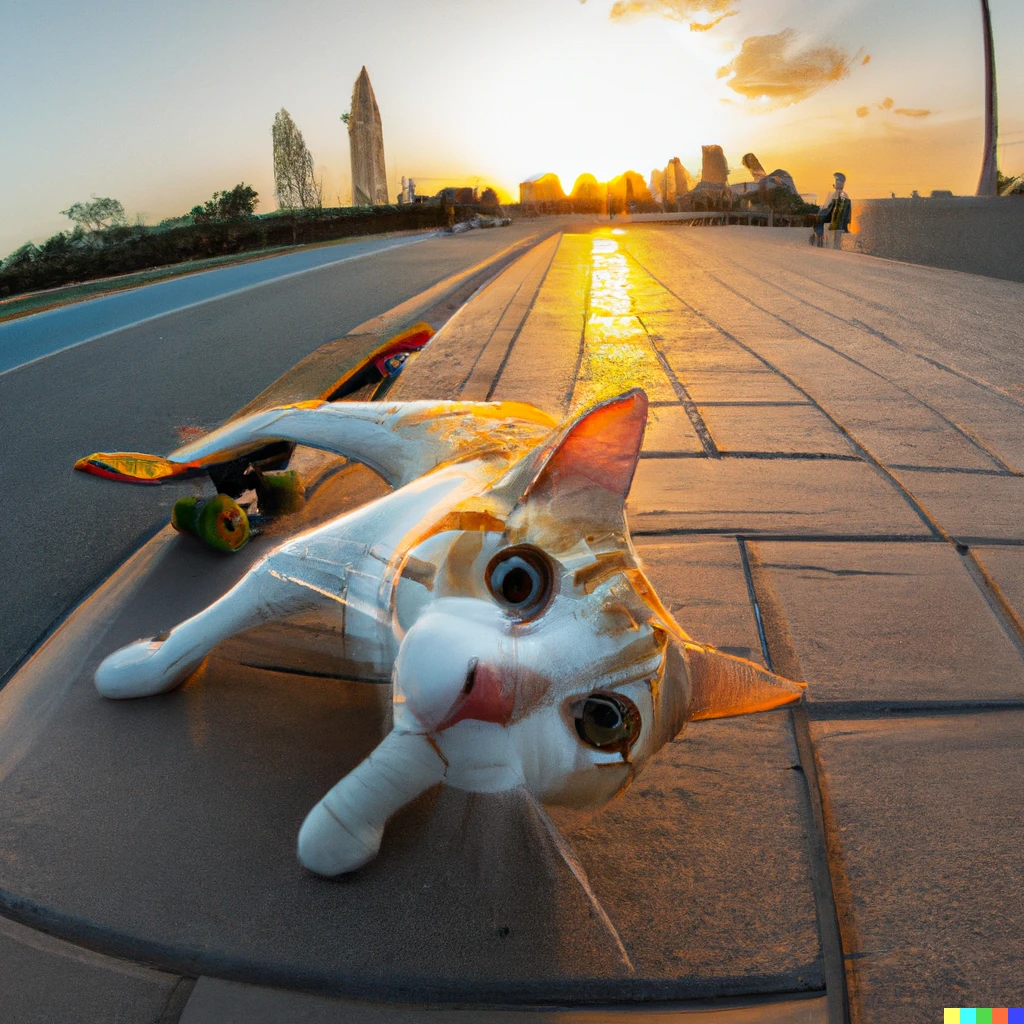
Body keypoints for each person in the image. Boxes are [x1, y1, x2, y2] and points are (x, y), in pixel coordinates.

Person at [811, 172, 852, 248]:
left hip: (832, 218)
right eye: (836, 181)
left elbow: (832, 208)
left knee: (819, 220)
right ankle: (818, 237)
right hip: (831, 216)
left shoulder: (841, 194)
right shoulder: (835, 193)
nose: (836, 183)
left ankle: (818, 237)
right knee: (819, 219)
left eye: (837, 181)